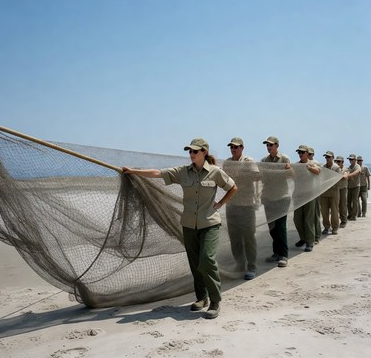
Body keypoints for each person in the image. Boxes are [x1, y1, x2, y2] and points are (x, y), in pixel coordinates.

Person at [122, 138, 237, 319]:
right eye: (190, 151)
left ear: (204, 152)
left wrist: (220, 203)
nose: (191, 154)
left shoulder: (216, 172)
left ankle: (215, 300)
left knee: (206, 260)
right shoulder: (183, 172)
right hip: (189, 225)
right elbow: (157, 173)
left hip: (210, 224)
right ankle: (202, 298)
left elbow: (233, 188)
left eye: (195, 151)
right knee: (194, 264)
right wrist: (134, 171)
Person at [223, 137, 260, 280]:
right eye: (231, 147)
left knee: (249, 237)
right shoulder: (227, 163)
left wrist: (239, 176)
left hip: (246, 206)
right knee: (235, 238)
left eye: (236, 147)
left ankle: (252, 267)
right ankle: (240, 264)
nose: (233, 149)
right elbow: (224, 179)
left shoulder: (248, 162)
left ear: (242, 148)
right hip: (231, 205)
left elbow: (256, 176)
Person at [261, 136, 291, 268]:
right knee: (272, 228)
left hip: (282, 197)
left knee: (281, 227)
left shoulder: (284, 158)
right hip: (268, 198)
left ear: (277, 146)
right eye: (267, 145)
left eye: (271, 145)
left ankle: (284, 255)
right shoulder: (264, 160)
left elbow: (291, 174)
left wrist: (288, 169)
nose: (268, 147)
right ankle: (276, 252)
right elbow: (261, 176)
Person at [293, 145, 320, 252]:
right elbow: (291, 175)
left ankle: (310, 242)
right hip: (298, 195)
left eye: (302, 152)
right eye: (299, 152)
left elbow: (318, 171)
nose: (300, 154)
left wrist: (309, 168)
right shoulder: (297, 165)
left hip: (309, 195)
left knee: (308, 220)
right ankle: (303, 238)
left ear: (307, 153)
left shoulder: (312, 163)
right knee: (297, 219)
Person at [320, 151, 341, 235]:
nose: (327, 158)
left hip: (334, 192)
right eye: (326, 157)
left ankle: (335, 227)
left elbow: (338, 179)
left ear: (333, 157)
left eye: (329, 157)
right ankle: (326, 227)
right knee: (324, 211)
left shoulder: (336, 168)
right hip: (324, 192)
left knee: (334, 211)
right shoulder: (323, 167)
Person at [307, 147, 322, 243]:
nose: (309, 155)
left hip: (315, 192)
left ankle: (317, 236)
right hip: (307, 192)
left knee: (316, 214)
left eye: (310, 154)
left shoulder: (316, 163)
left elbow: (318, 173)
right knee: (308, 217)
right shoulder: (303, 163)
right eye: (308, 154)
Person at [334, 156, 349, 227]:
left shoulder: (345, 168)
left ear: (342, 162)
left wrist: (338, 176)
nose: (337, 163)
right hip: (336, 188)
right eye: (336, 161)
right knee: (335, 206)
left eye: (339, 161)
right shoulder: (335, 168)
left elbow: (345, 176)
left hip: (343, 189)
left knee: (342, 205)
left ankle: (343, 221)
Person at [346, 154, 361, 221]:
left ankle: (354, 215)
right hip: (349, 186)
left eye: (351, 159)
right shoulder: (349, 167)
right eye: (349, 159)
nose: (350, 160)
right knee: (348, 201)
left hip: (356, 186)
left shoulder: (357, 166)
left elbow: (357, 172)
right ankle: (350, 214)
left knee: (355, 201)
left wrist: (348, 175)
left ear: (355, 160)